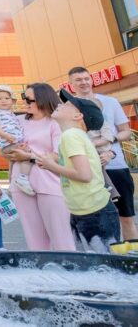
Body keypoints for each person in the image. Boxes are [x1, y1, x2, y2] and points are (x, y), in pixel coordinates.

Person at [34, 94, 121, 251]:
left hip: (93, 211)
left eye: (67, 104)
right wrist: (50, 165)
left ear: (78, 116)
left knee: (102, 262)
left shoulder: (71, 136)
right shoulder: (74, 136)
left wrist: (51, 165)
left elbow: (84, 175)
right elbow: (72, 176)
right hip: (85, 209)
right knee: (100, 261)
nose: (59, 105)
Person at [66, 66, 137, 240]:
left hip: (116, 167)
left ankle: (133, 253)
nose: (83, 82)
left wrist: (109, 144)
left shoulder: (110, 102)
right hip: (88, 171)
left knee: (126, 217)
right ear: (71, 84)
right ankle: (107, 254)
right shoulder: (68, 108)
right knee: (97, 221)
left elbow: (126, 132)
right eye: (78, 80)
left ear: (91, 80)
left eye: (86, 78)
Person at [3, 83, 74, 251]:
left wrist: (29, 156)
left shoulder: (55, 122)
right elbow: (4, 148)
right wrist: (12, 151)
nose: (25, 102)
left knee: (61, 236)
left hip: (49, 182)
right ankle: (43, 267)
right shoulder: (18, 121)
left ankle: (69, 265)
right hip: (20, 183)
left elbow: (58, 155)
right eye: (24, 98)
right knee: (34, 239)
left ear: (42, 99)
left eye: (30, 99)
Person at [0, 85, 35, 195]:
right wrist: (5, 135)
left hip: (14, 143)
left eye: (6, 98)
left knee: (12, 165)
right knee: (27, 154)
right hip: (7, 144)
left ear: (12, 101)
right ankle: (23, 178)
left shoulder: (12, 114)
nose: (3, 101)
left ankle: (11, 187)